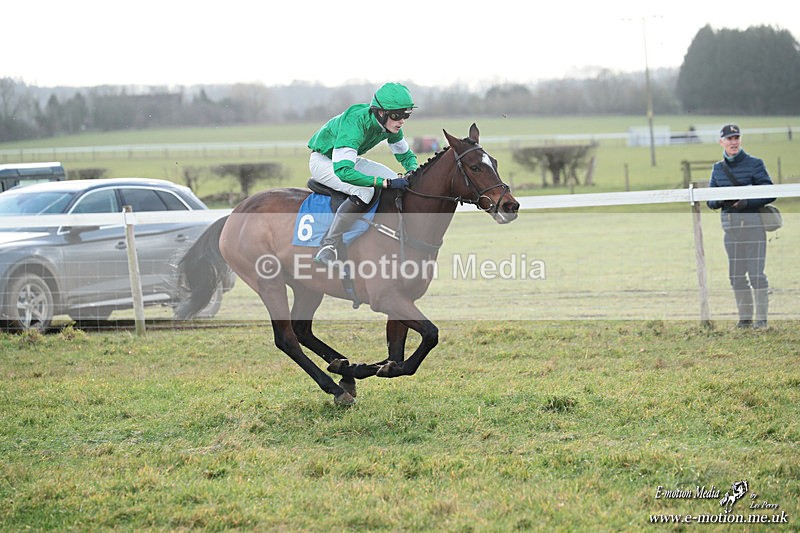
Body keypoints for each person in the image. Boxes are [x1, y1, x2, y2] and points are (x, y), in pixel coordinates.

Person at [307, 82, 419, 265]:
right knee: (365, 191)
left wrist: (413, 171)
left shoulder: (391, 126)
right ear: (381, 113)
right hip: (324, 161)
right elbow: (343, 171)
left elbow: (406, 156)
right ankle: (328, 245)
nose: (402, 120)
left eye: (406, 114)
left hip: (346, 158)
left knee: (395, 178)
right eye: (398, 115)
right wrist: (385, 183)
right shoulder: (355, 123)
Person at [707, 124, 776, 329]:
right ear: (722, 142)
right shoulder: (718, 169)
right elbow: (710, 201)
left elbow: (770, 192)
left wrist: (747, 202)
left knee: (756, 274)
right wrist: (722, 200)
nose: (733, 142)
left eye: (736, 137)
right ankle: (745, 320)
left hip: (754, 227)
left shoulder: (755, 164)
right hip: (731, 229)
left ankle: (761, 320)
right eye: (729, 139)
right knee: (736, 276)